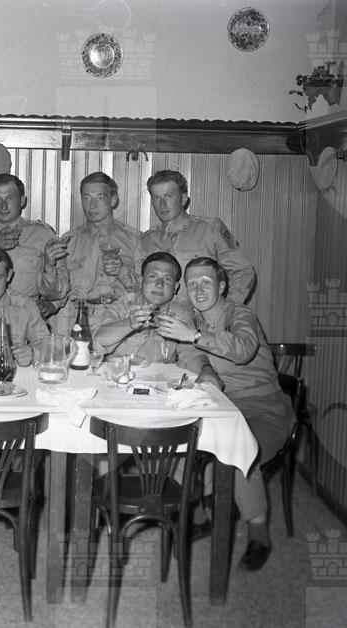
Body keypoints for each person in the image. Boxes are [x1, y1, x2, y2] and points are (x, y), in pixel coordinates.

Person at [158, 256, 295, 571]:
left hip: (262, 406)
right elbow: (187, 358)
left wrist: (193, 336)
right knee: (178, 445)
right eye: (192, 284)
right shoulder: (189, 320)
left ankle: (259, 536)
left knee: (240, 450)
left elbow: (243, 349)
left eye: (206, 282)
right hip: (218, 406)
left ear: (221, 286)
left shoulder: (240, 314)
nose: (198, 290)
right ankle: (199, 518)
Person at [94, 252, 222, 386]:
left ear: (175, 287)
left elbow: (190, 353)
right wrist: (129, 324)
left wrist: (206, 370)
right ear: (142, 281)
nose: (159, 284)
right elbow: (99, 339)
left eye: (167, 279)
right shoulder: (125, 304)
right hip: (120, 380)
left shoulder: (181, 312)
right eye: (153, 277)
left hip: (159, 383)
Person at [137, 170, 255, 304]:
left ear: (183, 199)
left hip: (199, 315)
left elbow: (243, 272)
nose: (162, 205)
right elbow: (138, 284)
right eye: (156, 198)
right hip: (160, 315)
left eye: (168, 196)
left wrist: (226, 309)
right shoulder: (146, 240)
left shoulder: (209, 229)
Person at [0, 173, 69, 319]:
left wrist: (53, 304)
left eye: (10, 198)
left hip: (26, 318)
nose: (3, 206)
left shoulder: (42, 234)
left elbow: (61, 286)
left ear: (22, 200)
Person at [61, 171, 140, 330]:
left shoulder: (134, 240)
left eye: (100, 198)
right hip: (78, 318)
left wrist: (122, 271)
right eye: (87, 198)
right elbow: (59, 291)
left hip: (120, 319)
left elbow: (147, 289)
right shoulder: (69, 241)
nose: (92, 205)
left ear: (113, 200)